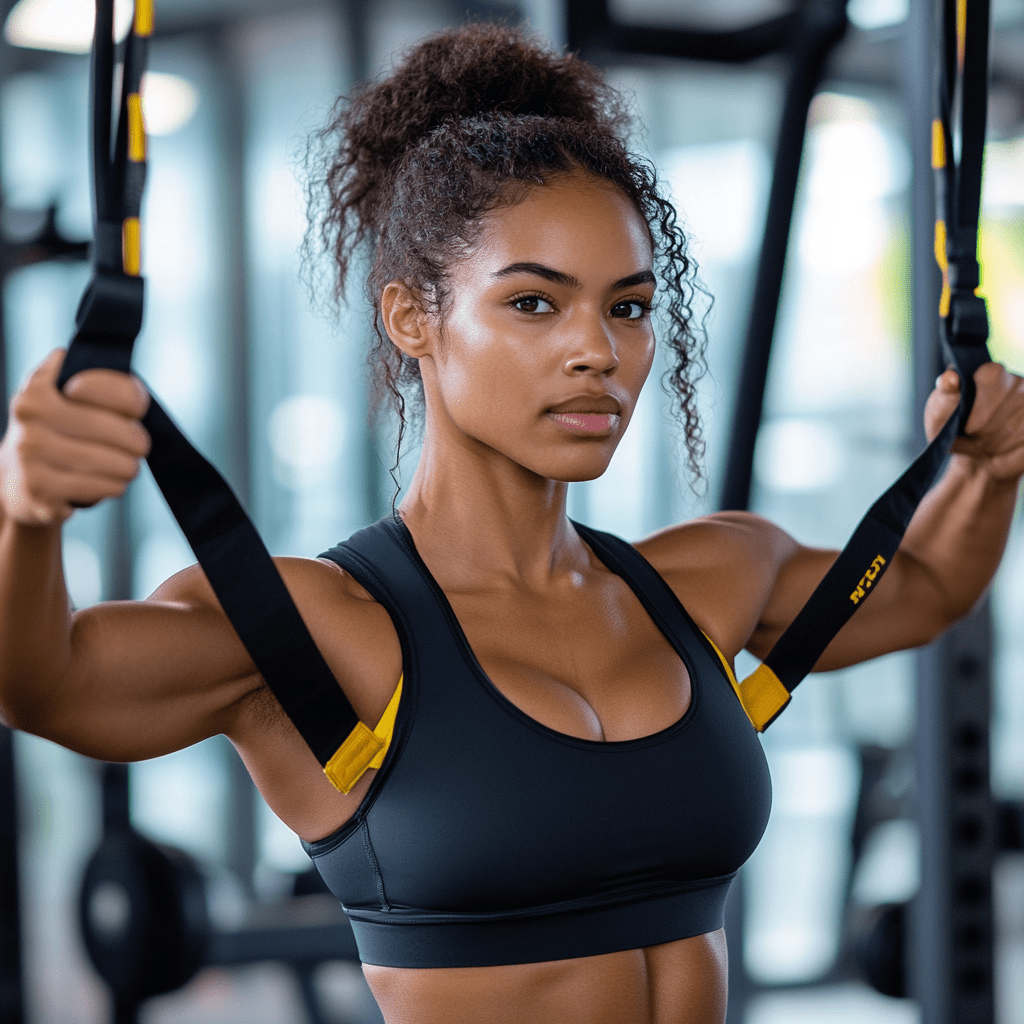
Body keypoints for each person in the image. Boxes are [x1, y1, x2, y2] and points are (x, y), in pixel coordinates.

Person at [1, 22, 1022, 1024]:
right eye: (535, 304)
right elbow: (43, 681)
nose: (599, 353)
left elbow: (925, 587)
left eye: (626, 307)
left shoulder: (707, 582)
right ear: (413, 318)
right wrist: (26, 513)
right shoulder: (324, 628)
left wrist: (987, 465)